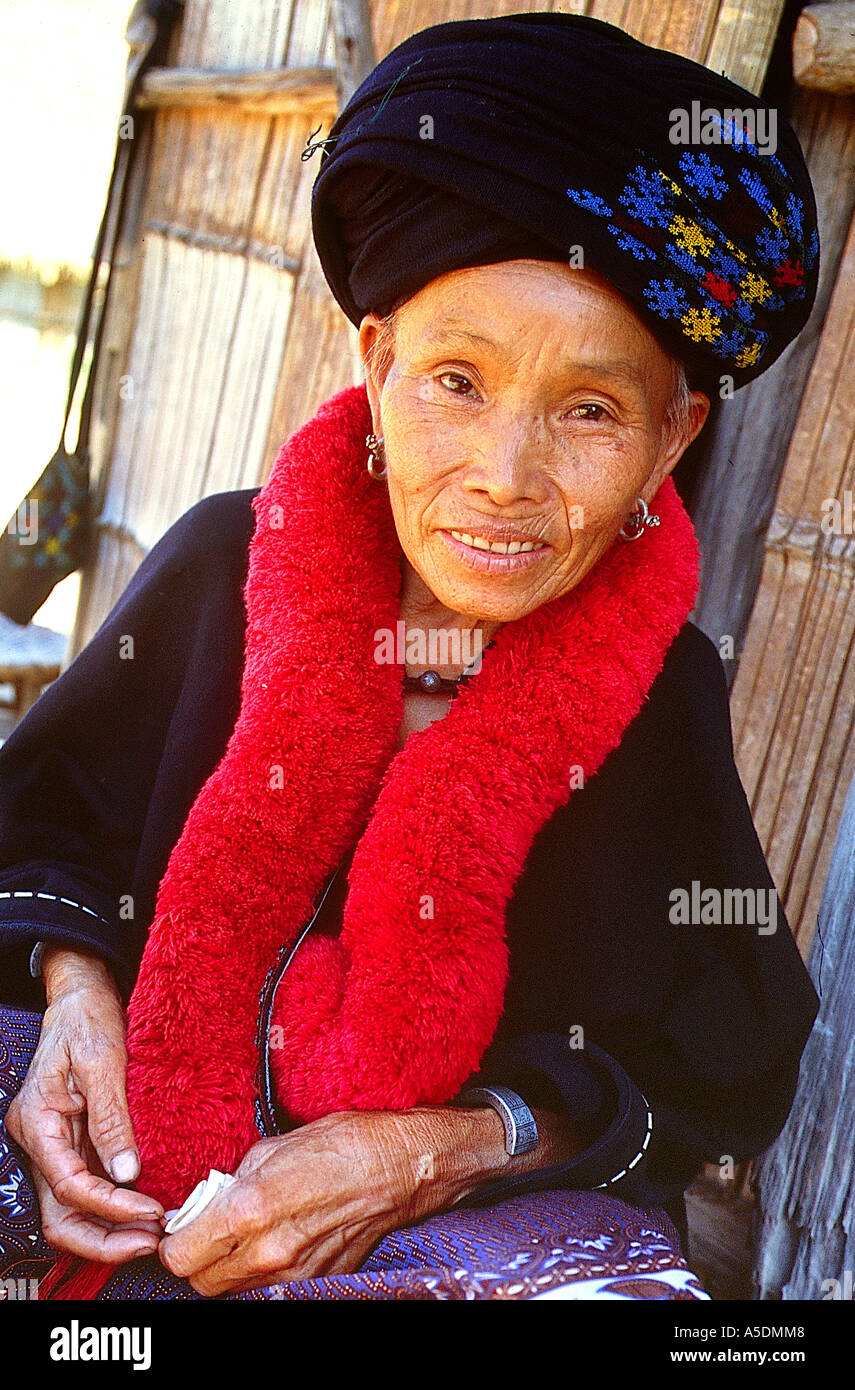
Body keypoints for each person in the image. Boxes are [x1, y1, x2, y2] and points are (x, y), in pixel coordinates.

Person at [0, 12, 820, 1301]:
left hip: (429, 1231)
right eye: (456, 379)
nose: (505, 479)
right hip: (121, 1161)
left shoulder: (659, 693)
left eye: (592, 412)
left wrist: (431, 1152)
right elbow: (44, 829)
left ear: (672, 443)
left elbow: (710, 1058)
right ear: (376, 365)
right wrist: (76, 1003)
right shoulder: (229, 560)